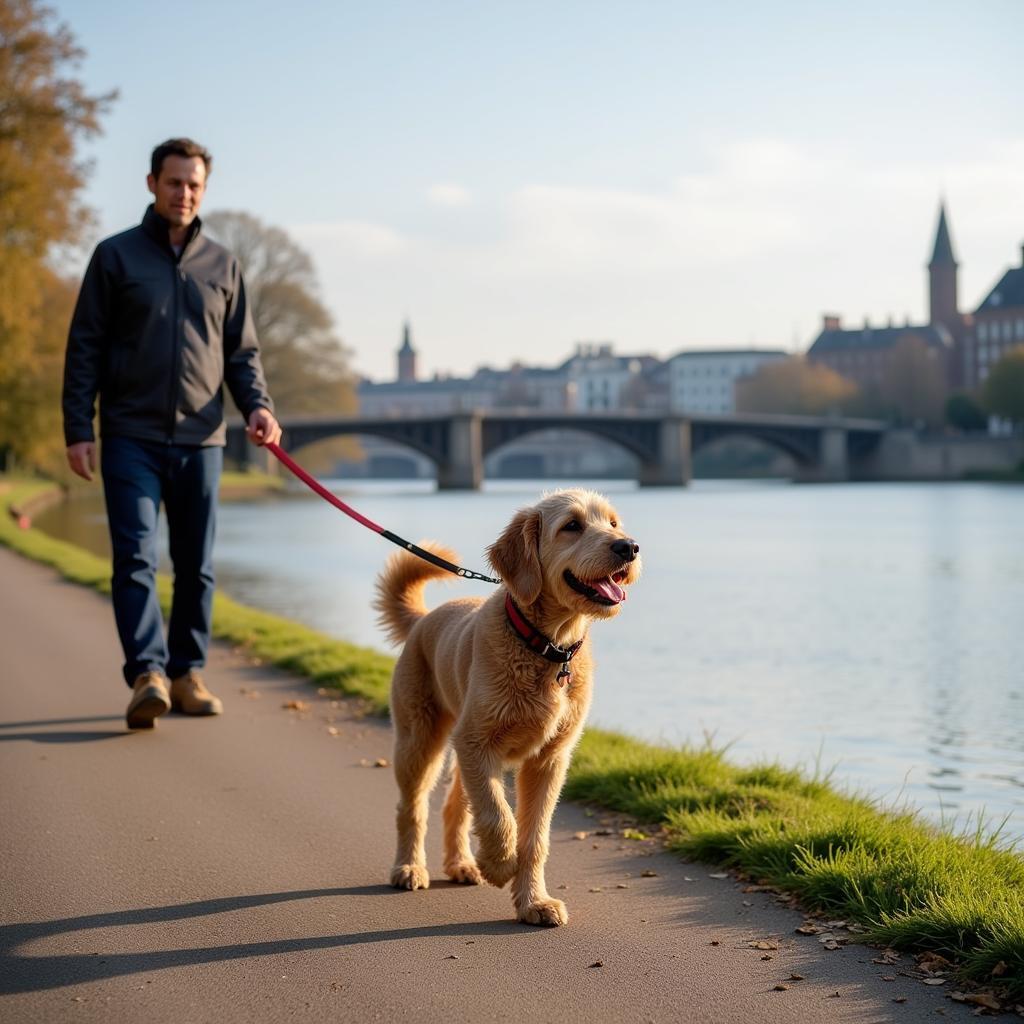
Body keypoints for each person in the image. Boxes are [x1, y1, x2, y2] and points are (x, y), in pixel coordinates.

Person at [62, 138, 282, 730]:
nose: (183, 192)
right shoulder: (115, 258)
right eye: (174, 181)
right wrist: (78, 428)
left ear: (203, 190)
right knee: (134, 556)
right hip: (130, 435)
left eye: (194, 184)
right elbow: (84, 347)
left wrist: (257, 406)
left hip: (202, 439)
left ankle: (186, 674)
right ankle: (147, 675)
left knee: (196, 564)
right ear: (152, 184)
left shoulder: (222, 264)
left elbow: (242, 353)